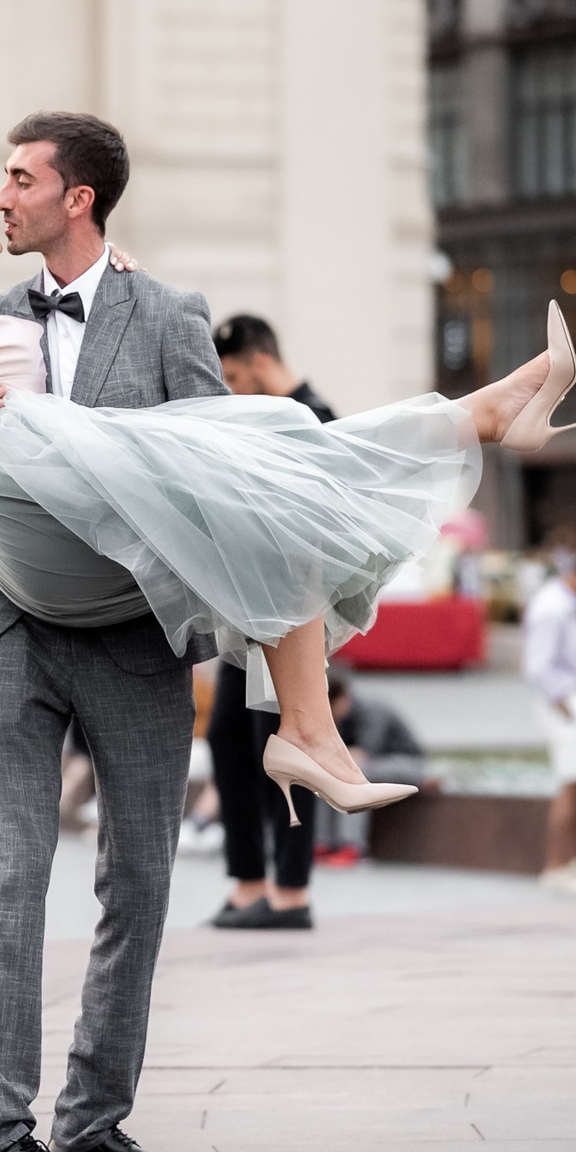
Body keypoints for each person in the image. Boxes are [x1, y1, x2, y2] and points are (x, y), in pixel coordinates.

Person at [0, 117, 576, 1152]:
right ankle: (0, 1133)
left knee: (139, 872)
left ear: (80, 198)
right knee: (12, 875)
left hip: (130, 618)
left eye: (15, 181)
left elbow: (218, 491)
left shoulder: (165, 312)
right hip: (16, 607)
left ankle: (92, 1122)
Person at [205, 312, 333, 929]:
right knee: (228, 736)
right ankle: (249, 882)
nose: (229, 390)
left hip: (295, 619)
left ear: (257, 361)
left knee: (289, 746)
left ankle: (292, 891)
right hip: (246, 613)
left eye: (232, 376)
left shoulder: (315, 417)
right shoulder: (251, 420)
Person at [524, 554, 576, 893]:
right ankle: (556, 865)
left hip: (570, 696)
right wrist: (563, 705)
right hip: (563, 699)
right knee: (572, 779)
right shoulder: (553, 607)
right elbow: (537, 666)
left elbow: (562, 655)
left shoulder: (563, 603)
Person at [315, 666, 429, 864]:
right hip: (372, 764)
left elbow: (363, 754)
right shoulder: (338, 717)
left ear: (343, 699)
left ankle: (351, 846)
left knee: (355, 775)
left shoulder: (371, 710)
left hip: (406, 763)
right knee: (322, 773)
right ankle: (321, 843)